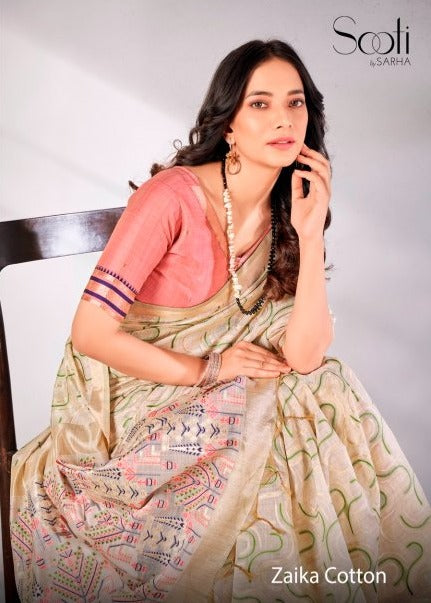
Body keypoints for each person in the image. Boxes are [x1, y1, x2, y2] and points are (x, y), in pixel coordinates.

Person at [10, 39, 431, 602]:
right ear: (228, 122)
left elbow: (306, 356)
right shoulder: (172, 198)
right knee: (274, 410)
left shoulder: (288, 207)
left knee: (318, 387)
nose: (283, 119)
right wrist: (210, 369)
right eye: (260, 103)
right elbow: (90, 334)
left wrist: (310, 234)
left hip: (220, 386)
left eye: (296, 103)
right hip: (133, 391)